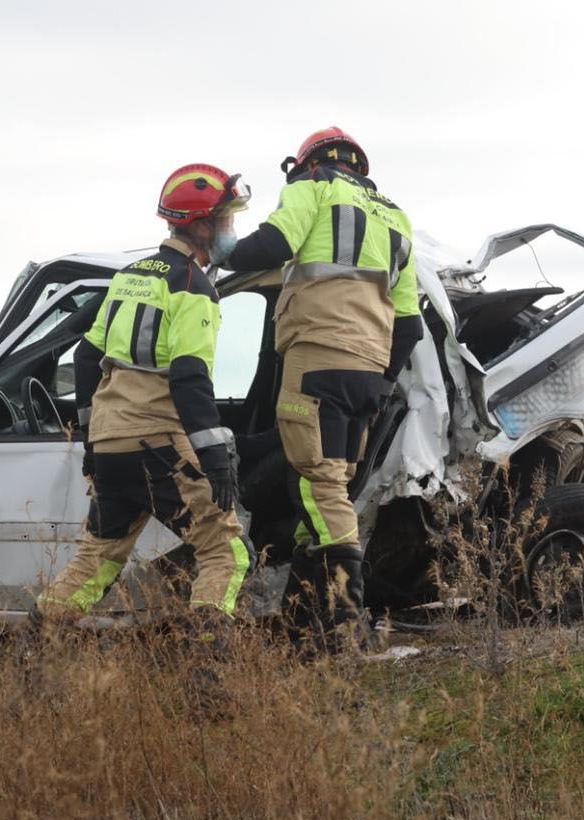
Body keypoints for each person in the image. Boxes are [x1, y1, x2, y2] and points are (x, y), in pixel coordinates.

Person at [211, 127, 423, 645]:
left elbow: (275, 244)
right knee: (331, 492)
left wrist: (224, 247)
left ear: (306, 163)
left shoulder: (313, 187)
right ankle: (308, 618)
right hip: (367, 374)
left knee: (317, 484)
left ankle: (350, 623)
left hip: (318, 359)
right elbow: (410, 325)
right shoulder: (395, 217)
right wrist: (380, 383)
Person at [38, 164, 255, 629]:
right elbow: (190, 376)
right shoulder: (194, 286)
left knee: (96, 559)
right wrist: (214, 455)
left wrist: (92, 442)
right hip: (158, 443)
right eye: (227, 219)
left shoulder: (129, 277)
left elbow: (84, 359)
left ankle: (38, 651)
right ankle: (208, 671)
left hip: (113, 445)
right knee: (226, 553)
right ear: (200, 225)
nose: (232, 230)